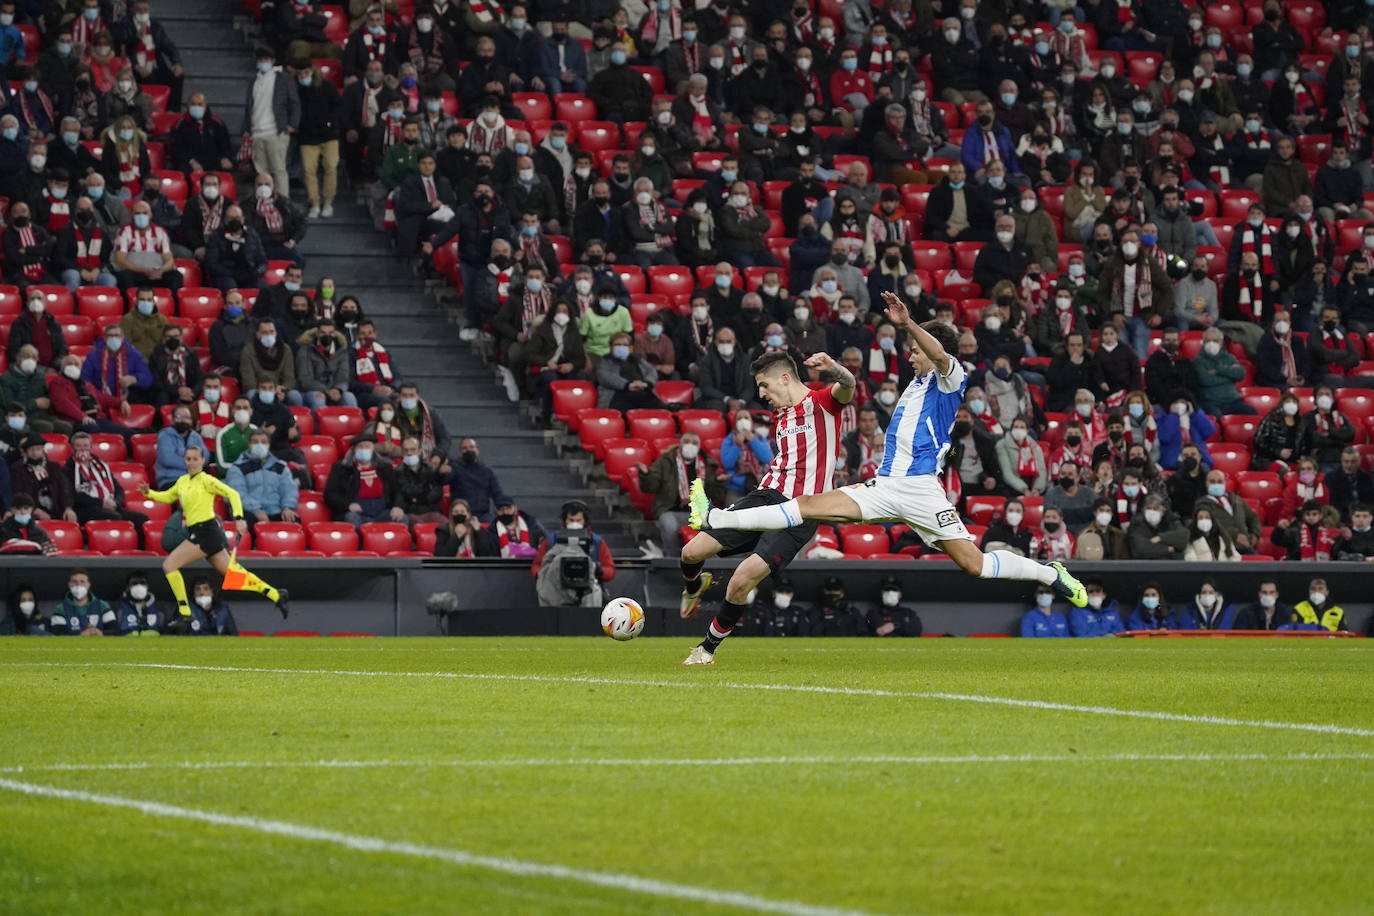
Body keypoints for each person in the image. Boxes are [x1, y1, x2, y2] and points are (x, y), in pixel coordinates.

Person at [693, 292, 1088, 612]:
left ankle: (1050, 574)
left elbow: (938, 355)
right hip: (885, 485)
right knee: (807, 505)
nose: (909, 354)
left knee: (976, 565)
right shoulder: (914, 386)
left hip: (920, 490)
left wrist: (910, 324)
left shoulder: (950, 379)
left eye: (913, 349)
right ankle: (716, 517)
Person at [679, 351, 854, 664]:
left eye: (763, 385)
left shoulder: (823, 403)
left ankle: (706, 649)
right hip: (765, 497)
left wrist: (834, 368)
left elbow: (849, 384)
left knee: (741, 580)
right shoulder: (782, 415)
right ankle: (694, 586)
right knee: (691, 552)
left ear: (785, 378)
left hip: (802, 511)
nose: (760, 394)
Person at [139, 445, 289, 620]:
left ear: (203, 461)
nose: (192, 463)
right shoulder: (182, 481)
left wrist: (239, 518)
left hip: (206, 532)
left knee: (169, 565)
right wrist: (149, 493)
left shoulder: (206, 480)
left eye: (196, 459)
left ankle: (185, 613)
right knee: (234, 575)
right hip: (202, 533)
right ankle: (276, 594)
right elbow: (168, 496)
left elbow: (232, 493)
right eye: (188, 459)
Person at [642, 432, 726, 557]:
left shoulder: (707, 465)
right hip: (671, 509)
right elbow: (650, 487)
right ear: (680, 444)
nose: (690, 446)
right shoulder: (665, 462)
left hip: (699, 511)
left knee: (713, 524)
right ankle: (673, 557)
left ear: (699, 447)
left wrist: (718, 482)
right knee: (668, 524)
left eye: (694, 443)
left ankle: (709, 560)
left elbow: (716, 495)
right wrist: (645, 474)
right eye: (687, 442)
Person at [65, 430, 149, 539]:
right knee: (113, 516)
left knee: (142, 519)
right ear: (72, 449)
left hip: (110, 506)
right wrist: (101, 503)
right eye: (78, 446)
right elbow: (74, 496)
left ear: (91, 448)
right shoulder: (68, 470)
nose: (82, 450)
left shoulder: (101, 466)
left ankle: (137, 551)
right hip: (86, 509)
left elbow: (118, 489)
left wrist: (115, 503)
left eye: (86, 446)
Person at [531, 499, 617, 607]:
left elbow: (610, 569)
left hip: (588, 593)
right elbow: (536, 565)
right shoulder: (551, 540)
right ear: (564, 520)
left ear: (585, 520)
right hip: (557, 593)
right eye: (571, 520)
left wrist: (599, 571)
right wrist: (543, 574)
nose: (574, 523)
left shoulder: (596, 541)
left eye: (578, 520)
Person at [224, 430, 300, 528]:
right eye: (255, 442)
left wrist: (287, 507)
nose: (259, 445)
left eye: (263, 442)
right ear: (249, 444)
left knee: (293, 520)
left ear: (269, 445)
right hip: (249, 511)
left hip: (275, 510)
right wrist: (256, 510)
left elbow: (289, 489)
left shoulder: (280, 466)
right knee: (247, 521)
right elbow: (238, 494)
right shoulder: (237, 468)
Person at [325, 437, 404, 528]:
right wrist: (348, 505)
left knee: (402, 518)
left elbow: (397, 490)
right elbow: (330, 494)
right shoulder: (341, 468)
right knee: (351, 518)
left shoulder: (385, 467)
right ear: (354, 450)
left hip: (382, 511)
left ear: (373, 449)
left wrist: (397, 506)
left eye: (367, 446)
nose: (363, 449)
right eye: (360, 447)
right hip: (356, 513)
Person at [447, 438, 505, 523]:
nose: (469, 450)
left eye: (472, 447)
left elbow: (497, 493)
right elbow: (444, 480)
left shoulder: (487, 471)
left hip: (483, 515)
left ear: (477, 450)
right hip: (461, 514)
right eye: (465, 448)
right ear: (460, 452)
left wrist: (503, 507)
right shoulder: (454, 468)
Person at [395, 436, 445, 526]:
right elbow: (401, 495)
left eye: (413, 450)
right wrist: (423, 492)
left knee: (448, 527)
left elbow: (437, 493)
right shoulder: (397, 472)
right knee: (419, 526)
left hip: (431, 511)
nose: (409, 453)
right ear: (402, 453)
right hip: (410, 513)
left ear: (420, 451)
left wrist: (416, 498)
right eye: (406, 450)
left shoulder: (431, 470)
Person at [50, 570, 117, 635]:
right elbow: (57, 633)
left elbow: (115, 630)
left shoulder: (102, 605)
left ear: (88, 585)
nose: (78, 585)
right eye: (74, 581)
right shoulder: (60, 608)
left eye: (82, 582)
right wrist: (81, 634)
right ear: (69, 585)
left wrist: (100, 633)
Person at [432, 498, 498, 558]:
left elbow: (485, 554)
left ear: (468, 514)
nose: (459, 514)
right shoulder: (443, 530)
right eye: (456, 512)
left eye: (462, 512)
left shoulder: (476, 530)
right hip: (452, 568)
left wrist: (478, 531)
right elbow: (440, 556)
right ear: (451, 514)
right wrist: (456, 537)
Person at [114, 571, 171, 636]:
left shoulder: (159, 607)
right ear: (128, 587)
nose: (139, 586)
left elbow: (165, 632)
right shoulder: (119, 607)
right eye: (134, 583)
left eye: (142, 582)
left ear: (147, 586)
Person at [1232, 579, 1296, 630]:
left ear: (1277, 594)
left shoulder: (1285, 613)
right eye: (1264, 592)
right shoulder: (1246, 613)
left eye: (1271, 592)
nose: (1268, 596)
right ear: (1259, 594)